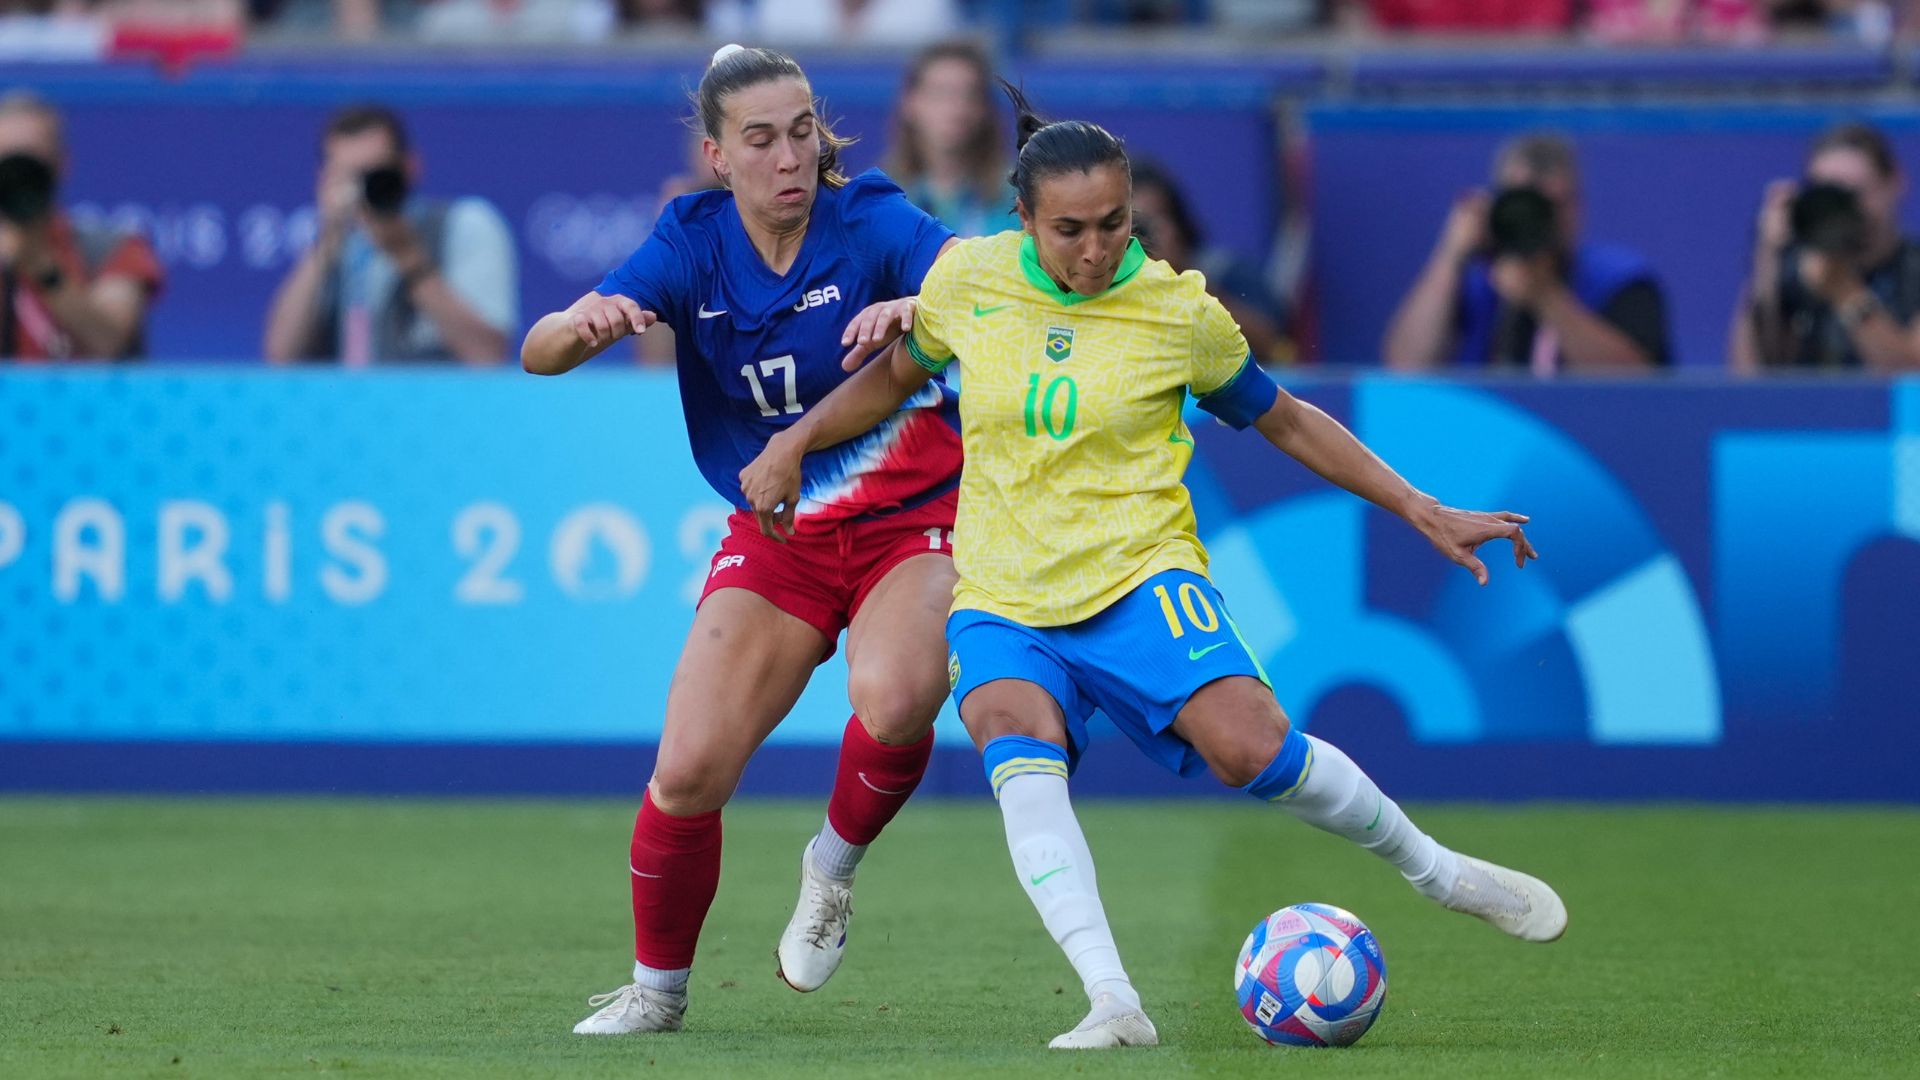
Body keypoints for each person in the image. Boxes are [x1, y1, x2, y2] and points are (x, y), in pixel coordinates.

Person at [740, 84, 1567, 1050]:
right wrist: (796, 440)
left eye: (1114, 223)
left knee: (1251, 748)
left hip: (1140, 576)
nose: (1096, 250)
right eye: (1070, 230)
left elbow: (1288, 420)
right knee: (1011, 730)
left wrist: (1419, 507)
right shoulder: (969, 281)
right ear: (1023, 219)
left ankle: (1437, 871)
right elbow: (896, 375)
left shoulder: (1180, 313)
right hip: (1004, 593)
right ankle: (1112, 1000)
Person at [519, 45, 962, 1036]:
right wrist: (584, 325)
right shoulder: (689, 241)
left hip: (910, 519)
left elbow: (976, 285)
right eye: (761, 140)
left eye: (803, 132)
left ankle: (831, 868)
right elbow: (538, 353)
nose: (790, 157)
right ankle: (656, 992)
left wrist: (923, 303)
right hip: (780, 534)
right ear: (718, 156)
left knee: (897, 698)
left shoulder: (870, 217)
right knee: (686, 771)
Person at [1383, 131, 1669, 373]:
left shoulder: (1620, 281)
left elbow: (1639, 384)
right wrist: (1450, 255)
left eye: (1550, 205)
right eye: (1520, 201)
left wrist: (1544, 296)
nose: (1535, 219)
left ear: (1576, 208)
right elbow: (1406, 366)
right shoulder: (1475, 284)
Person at [263, 103, 517, 365]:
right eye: (348, 176)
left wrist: (410, 259)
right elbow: (281, 357)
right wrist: (326, 242)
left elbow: (488, 356)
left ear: (409, 166)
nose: (364, 188)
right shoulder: (333, 245)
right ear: (324, 178)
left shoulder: (463, 225)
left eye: (375, 175)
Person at [1730, 121, 1920, 372]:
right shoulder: (1797, 271)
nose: (1844, 209)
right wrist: (1767, 259)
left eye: (1855, 193)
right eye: (1829, 194)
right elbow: (1749, 375)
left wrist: (1845, 293)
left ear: (1894, 182)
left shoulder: (1913, 269)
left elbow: (1911, 380)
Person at [0, 89, 163, 361]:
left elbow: (107, 342)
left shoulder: (112, 248)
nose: (18, 176)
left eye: (30, 161)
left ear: (61, 163)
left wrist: (40, 264)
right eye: (7, 161)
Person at [1129, 160, 1288, 362]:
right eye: (1136, 224)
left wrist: (1183, 278)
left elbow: (1275, 348)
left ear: (1176, 221)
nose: (1145, 235)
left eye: (1155, 220)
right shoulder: (1104, 284)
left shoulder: (1223, 271)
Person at [881, 40, 1019, 240]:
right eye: (940, 94)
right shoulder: (880, 199)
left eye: (968, 95)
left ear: (985, 108)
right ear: (910, 102)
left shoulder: (1018, 198)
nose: (956, 108)